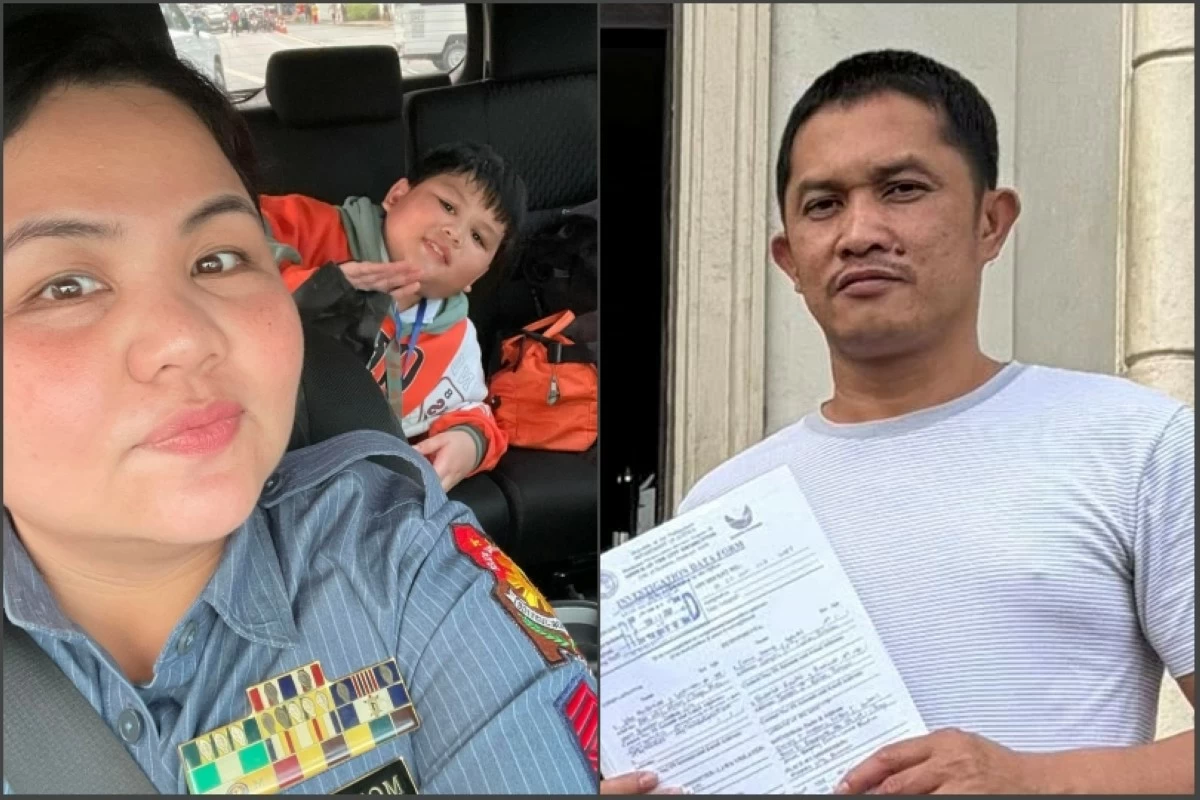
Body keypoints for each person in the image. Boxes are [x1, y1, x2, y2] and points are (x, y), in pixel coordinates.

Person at [3, 16, 596, 795]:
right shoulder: (316, 233)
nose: (186, 337)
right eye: (65, 286)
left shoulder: (398, 559)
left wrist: (464, 441)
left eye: (215, 260)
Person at [604, 49, 1193, 795]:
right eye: (823, 205)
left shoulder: (1135, 443)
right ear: (789, 257)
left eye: (902, 189)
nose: (860, 232)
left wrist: (1031, 781)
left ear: (991, 221)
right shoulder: (721, 511)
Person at [257, 141, 523, 492]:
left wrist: (468, 443)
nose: (455, 233)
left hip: (346, 487)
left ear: (477, 277)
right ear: (397, 196)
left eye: (478, 237)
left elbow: (473, 411)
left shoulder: (454, 339)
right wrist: (317, 288)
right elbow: (218, 249)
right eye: (447, 205)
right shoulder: (305, 226)